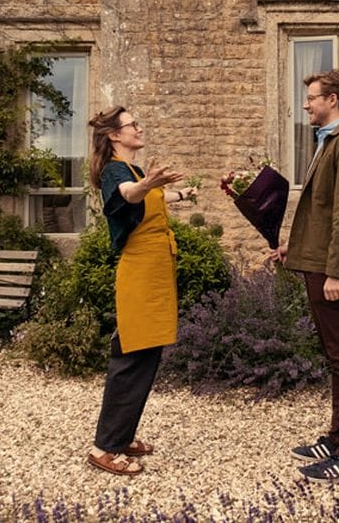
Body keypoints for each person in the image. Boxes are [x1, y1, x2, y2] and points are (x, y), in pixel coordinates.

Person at [272, 69, 339, 482]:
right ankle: (336, 438)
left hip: (334, 273)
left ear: (332, 99)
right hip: (319, 265)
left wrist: (337, 273)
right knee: (337, 356)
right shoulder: (331, 140)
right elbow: (323, 211)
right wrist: (294, 248)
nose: (306, 104)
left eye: (312, 97)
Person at [86, 106, 197, 476]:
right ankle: (105, 447)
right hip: (140, 270)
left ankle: (122, 435)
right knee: (132, 354)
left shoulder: (133, 170)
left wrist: (181, 194)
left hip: (155, 268)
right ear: (114, 135)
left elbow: (150, 197)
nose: (138, 128)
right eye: (132, 124)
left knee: (146, 354)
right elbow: (130, 195)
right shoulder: (116, 171)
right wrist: (148, 184)